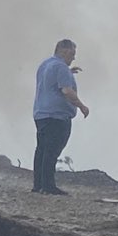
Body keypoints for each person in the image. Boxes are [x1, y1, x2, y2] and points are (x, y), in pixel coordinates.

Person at [32, 39, 89, 195]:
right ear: (63, 51)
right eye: (72, 53)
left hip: (41, 114)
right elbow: (66, 91)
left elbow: (51, 81)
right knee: (52, 151)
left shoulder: (46, 64)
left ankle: (38, 185)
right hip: (57, 116)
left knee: (42, 149)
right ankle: (48, 186)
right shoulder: (61, 67)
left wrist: (68, 73)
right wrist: (82, 106)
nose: (74, 57)